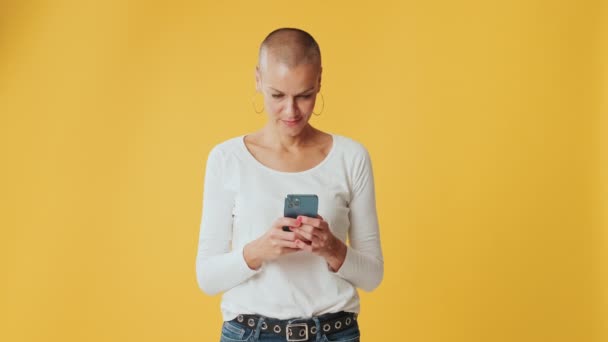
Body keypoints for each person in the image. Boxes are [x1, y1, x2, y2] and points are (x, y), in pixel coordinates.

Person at [195, 27, 384, 342]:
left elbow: (373, 276)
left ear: (319, 80)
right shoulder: (227, 159)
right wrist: (259, 250)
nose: (291, 111)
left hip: (334, 333)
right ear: (258, 79)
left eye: (305, 95)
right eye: (277, 95)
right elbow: (207, 278)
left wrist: (333, 249)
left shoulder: (351, 157)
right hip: (250, 334)